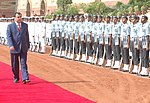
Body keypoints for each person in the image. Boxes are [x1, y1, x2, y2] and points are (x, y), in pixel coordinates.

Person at [7, 12, 30, 84]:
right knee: (14, 64)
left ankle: (25, 78)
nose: (20, 18)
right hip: (14, 48)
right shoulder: (10, 26)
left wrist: (28, 45)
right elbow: (9, 36)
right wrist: (11, 45)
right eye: (18, 17)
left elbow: (27, 36)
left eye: (20, 17)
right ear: (14, 18)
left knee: (23, 63)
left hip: (23, 47)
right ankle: (16, 77)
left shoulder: (25, 25)